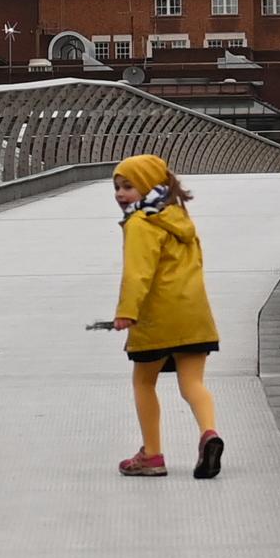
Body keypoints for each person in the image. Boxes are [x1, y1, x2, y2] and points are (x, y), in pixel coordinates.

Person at [104, 153, 221, 479]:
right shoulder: (178, 218)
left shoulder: (141, 223)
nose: (120, 194)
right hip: (194, 315)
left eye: (128, 186)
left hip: (156, 318)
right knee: (193, 383)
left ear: (148, 187)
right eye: (116, 187)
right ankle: (209, 432)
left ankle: (152, 455)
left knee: (144, 381)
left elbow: (138, 273)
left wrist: (127, 312)